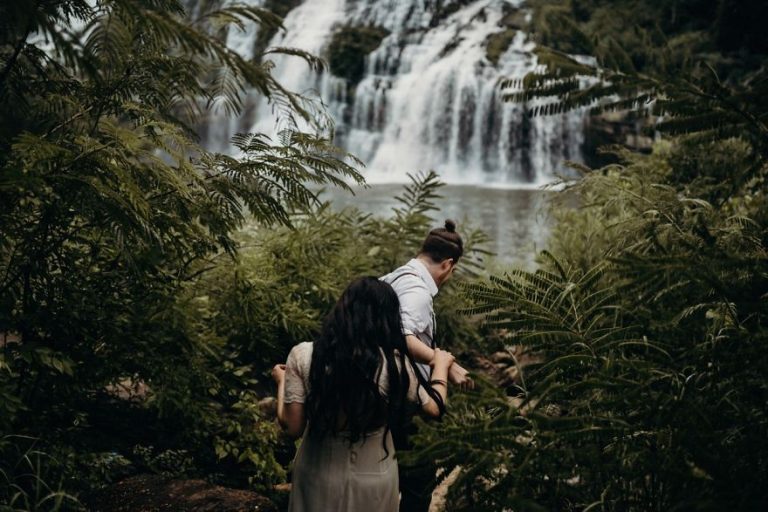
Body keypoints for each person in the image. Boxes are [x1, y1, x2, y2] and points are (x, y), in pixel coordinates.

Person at [271, 277, 455, 512]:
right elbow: (434, 408)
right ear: (387, 319)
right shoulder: (392, 364)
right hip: (375, 474)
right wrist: (440, 364)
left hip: (317, 471)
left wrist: (282, 382)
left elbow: (292, 427)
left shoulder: (304, 355)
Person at [380, 219, 472, 512]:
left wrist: (447, 363)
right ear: (447, 264)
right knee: (418, 486)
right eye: (452, 271)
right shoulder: (418, 292)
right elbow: (402, 337)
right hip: (405, 401)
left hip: (381, 387)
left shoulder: (395, 277)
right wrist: (438, 361)